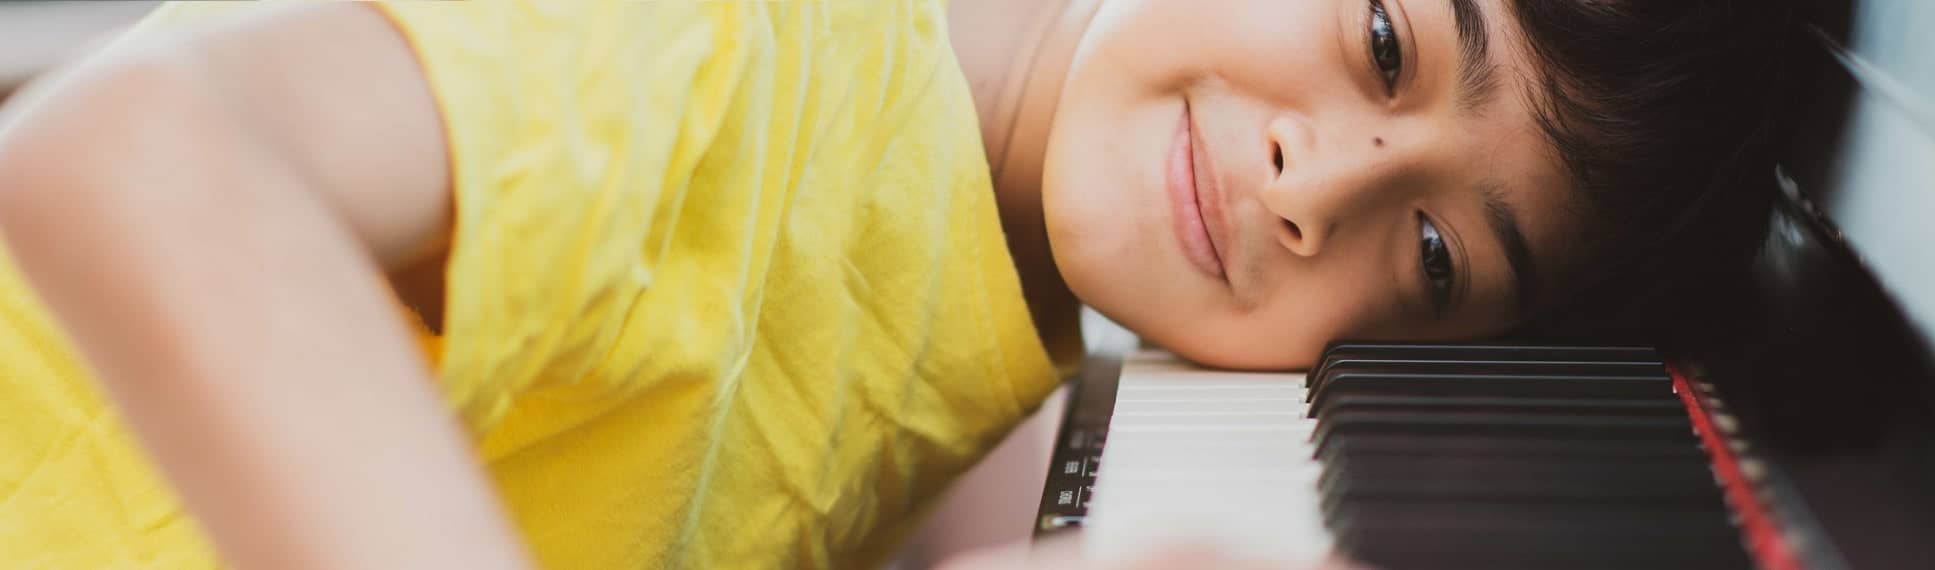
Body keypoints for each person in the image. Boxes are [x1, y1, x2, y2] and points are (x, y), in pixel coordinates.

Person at [0, 0, 1787, 567]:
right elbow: (124, 150)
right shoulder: (749, 44)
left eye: (1438, 255)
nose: (1318, 183)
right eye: (1390, 40)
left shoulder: (980, 329)